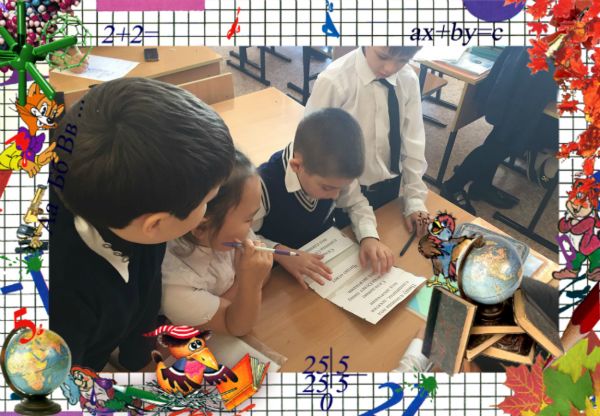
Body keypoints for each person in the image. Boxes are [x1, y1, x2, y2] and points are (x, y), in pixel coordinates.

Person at [49, 77, 235, 372]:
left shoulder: (140, 208)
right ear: (155, 224)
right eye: (208, 201)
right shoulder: (58, 298)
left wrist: (139, 362)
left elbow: (147, 295)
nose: (209, 210)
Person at [253, 108, 394, 288]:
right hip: (278, 273)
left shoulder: (335, 174)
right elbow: (245, 237)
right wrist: (282, 253)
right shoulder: (261, 185)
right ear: (297, 166)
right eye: (328, 188)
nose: (336, 195)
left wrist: (369, 237)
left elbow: (356, 203)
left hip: (323, 255)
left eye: (341, 188)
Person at [306, 47, 431, 237]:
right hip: (343, 194)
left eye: (402, 60)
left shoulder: (407, 79)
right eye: (382, 56)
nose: (389, 68)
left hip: (389, 187)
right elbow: (323, 155)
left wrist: (414, 199)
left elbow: (413, 142)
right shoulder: (334, 81)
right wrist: (363, 222)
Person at [161, 150, 273, 336]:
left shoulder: (227, 234)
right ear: (201, 227)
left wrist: (240, 292)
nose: (252, 224)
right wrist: (249, 283)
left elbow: (264, 272)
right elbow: (238, 326)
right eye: (248, 219)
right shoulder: (175, 283)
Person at [441, 47, 558, 215]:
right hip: (529, 79)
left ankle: (481, 184)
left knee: (502, 138)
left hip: (536, 74)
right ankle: (453, 186)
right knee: (505, 143)